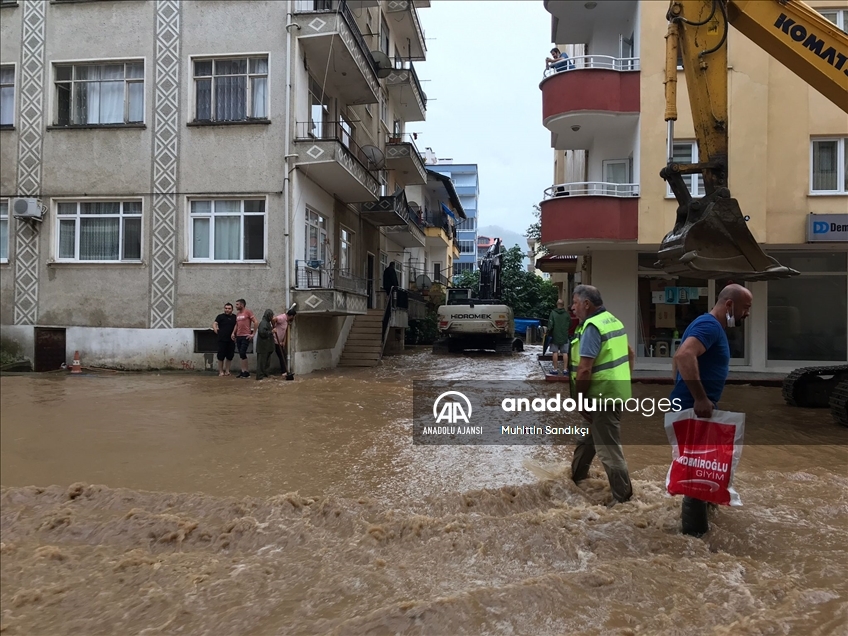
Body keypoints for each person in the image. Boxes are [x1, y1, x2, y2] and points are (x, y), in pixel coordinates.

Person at [670, 283, 753, 536]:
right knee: (697, 477)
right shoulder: (709, 326)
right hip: (695, 409)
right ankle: (694, 540)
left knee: (707, 469)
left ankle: (702, 528)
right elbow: (684, 356)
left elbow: (677, 359)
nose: (747, 313)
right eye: (746, 307)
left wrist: (686, 394)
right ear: (729, 305)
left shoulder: (709, 325)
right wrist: (699, 398)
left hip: (695, 407)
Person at [569, 284, 636, 505]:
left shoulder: (592, 327)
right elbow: (630, 354)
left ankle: (624, 501)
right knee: (586, 441)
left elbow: (584, 369)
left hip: (602, 398)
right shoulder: (612, 320)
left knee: (609, 451)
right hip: (612, 394)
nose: (572, 307)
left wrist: (579, 400)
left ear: (586, 304)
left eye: (575, 302)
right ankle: (576, 480)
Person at [232, 298, 257, 379]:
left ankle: (246, 372)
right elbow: (237, 324)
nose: (236, 306)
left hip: (246, 335)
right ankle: (243, 371)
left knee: (243, 352)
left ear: (242, 305)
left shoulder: (248, 312)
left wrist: (253, 334)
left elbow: (256, 322)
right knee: (241, 354)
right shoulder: (238, 314)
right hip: (238, 336)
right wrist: (233, 333)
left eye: (237, 304)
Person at [212, 302, 237, 376]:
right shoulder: (220, 316)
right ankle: (220, 371)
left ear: (232, 309)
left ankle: (227, 371)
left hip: (231, 340)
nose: (227, 310)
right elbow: (215, 323)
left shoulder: (235, 317)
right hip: (222, 339)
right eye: (226, 308)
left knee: (229, 356)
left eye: (229, 308)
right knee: (221, 356)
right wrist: (215, 328)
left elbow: (237, 325)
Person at [547, 299, 571, 375]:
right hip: (564, 336)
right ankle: (565, 370)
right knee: (565, 353)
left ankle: (555, 369)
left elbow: (550, 325)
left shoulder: (553, 313)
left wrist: (548, 333)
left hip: (555, 336)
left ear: (557, 304)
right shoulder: (567, 314)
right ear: (563, 305)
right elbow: (570, 324)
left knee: (555, 352)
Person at [273, 307, 296, 377]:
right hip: (275, 340)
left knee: (282, 355)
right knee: (282, 355)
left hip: (280, 342)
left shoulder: (286, 321)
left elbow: (285, 332)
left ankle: (284, 371)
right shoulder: (282, 317)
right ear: (291, 316)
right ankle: (284, 372)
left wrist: (284, 342)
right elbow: (274, 319)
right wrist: (273, 328)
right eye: (293, 317)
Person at [255, 309, 275, 381]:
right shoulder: (263, 323)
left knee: (266, 362)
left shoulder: (267, 323)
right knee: (261, 363)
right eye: (271, 316)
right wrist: (271, 331)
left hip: (267, 347)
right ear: (269, 315)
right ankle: (260, 376)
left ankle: (265, 374)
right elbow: (262, 332)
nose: (272, 317)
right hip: (263, 347)